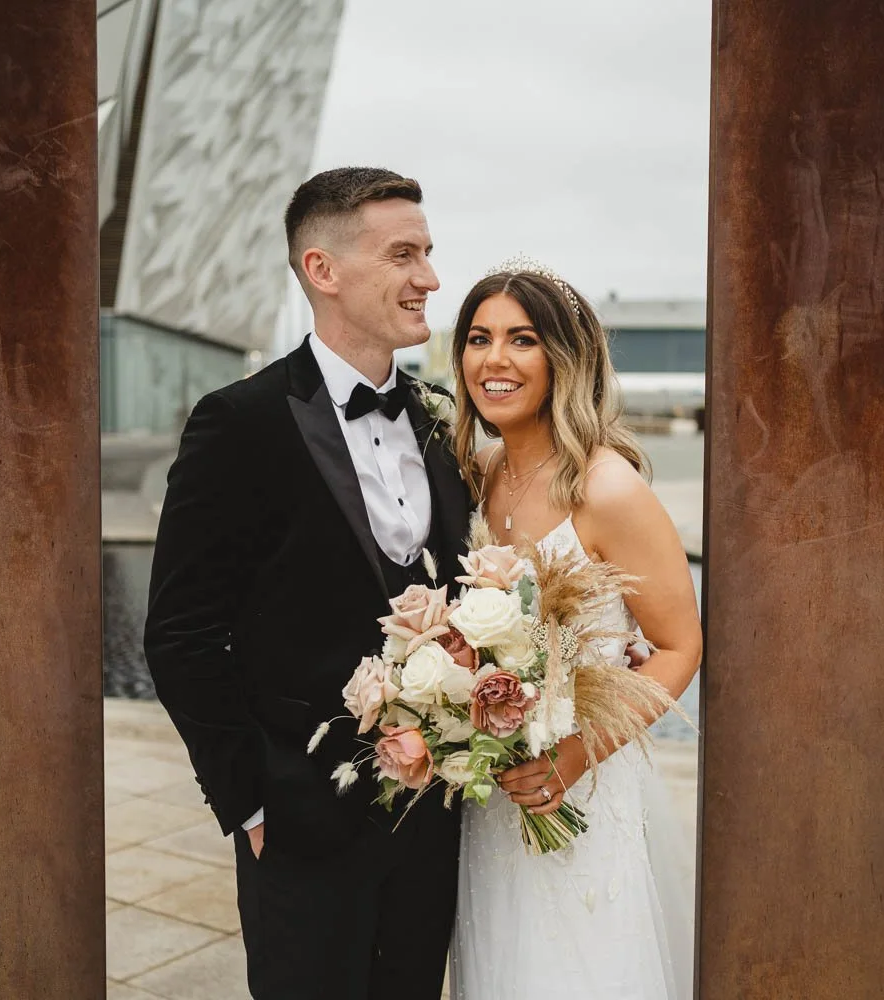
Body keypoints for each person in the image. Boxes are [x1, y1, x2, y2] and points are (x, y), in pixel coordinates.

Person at [143, 167, 471, 1000]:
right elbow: (181, 634)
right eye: (403, 254)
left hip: (434, 826)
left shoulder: (444, 419)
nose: (430, 278)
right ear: (322, 269)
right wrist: (249, 802)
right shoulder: (239, 421)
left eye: (428, 252)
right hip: (299, 824)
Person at [446, 261, 702, 999]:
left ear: (565, 358)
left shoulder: (608, 488)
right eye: (478, 338)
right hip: (492, 802)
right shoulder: (478, 473)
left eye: (522, 339)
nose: (494, 359)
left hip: (580, 789)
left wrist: (572, 757)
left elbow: (680, 646)